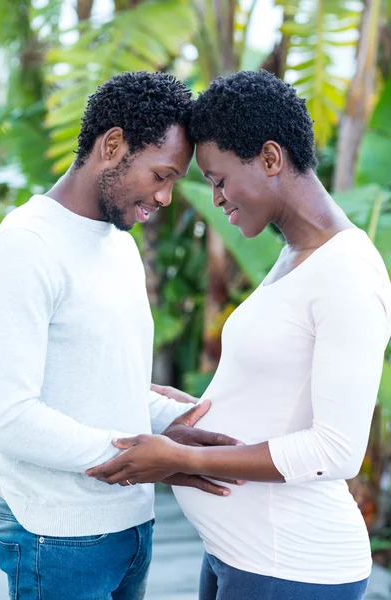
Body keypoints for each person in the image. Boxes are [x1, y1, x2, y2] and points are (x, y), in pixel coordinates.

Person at [87, 71, 391, 600]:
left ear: (271, 158)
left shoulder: (348, 272)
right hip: (243, 554)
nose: (217, 198)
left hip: (292, 565)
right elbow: (280, 393)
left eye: (220, 179)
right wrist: (195, 408)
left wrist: (184, 459)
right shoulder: (297, 254)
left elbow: (337, 450)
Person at [0, 71, 239, 600]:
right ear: (112, 145)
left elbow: (94, 378)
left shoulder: (119, 243)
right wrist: (139, 454)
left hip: (133, 525)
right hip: (56, 540)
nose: (167, 197)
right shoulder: (25, 247)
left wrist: (173, 424)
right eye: (161, 175)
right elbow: (6, 416)